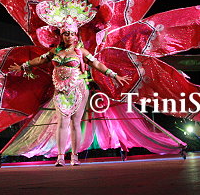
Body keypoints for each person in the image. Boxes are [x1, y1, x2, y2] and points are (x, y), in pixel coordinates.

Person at [9, 15, 130, 166]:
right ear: (62, 36)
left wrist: (114, 75)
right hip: (60, 90)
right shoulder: (55, 52)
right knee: (62, 122)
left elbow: (97, 64)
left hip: (78, 88)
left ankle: (74, 156)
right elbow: (40, 60)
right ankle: (60, 157)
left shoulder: (81, 52)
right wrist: (23, 66)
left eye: (72, 34)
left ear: (76, 36)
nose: (70, 37)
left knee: (75, 123)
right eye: (66, 34)